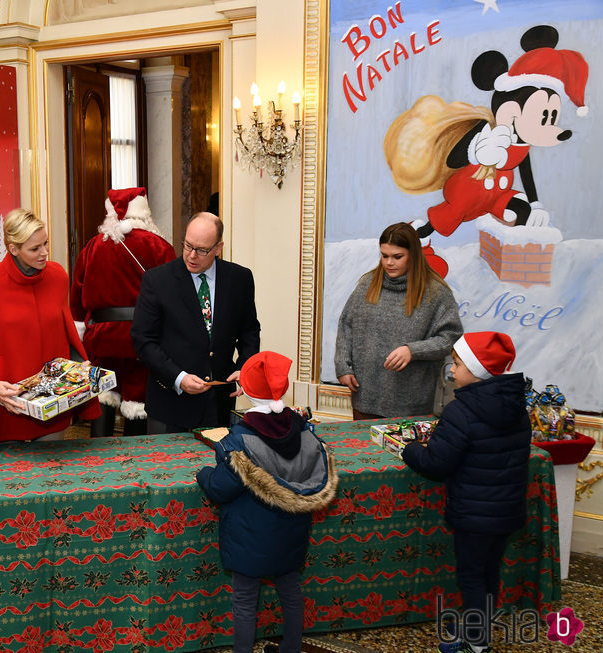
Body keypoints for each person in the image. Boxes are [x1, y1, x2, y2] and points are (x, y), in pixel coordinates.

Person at [196, 351, 337, 653]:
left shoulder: (241, 439)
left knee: (245, 599)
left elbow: (220, 488)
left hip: (250, 537)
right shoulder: (304, 430)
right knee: (291, 591)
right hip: (291, 534)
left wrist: (203, 474)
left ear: (244, 390)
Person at [401, 332, 531, 653]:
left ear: (476, 371)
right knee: (490, 573)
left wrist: (410, 450)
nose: (452, 371)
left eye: (457, 365)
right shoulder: (516, 409)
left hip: (474, 516)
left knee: (471, 576)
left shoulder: (461, 412)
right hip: (506, 512)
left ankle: (476, 643)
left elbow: (436, 463)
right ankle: (478, 625)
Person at [0, 208, 100, 446]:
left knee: (51, 475)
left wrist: (79, 367)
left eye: (46, 243)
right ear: (13, 249)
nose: (44, 253)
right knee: (12, 480)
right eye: (34, 248)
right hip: (10, 405)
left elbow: (65, 333)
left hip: (52, 404)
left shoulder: (57, 276)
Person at [131, 212, 260, 433]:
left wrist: (244, 368)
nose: (191, 255)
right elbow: (143, 341)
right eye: (187, 245)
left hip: (219, 404)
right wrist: (179, 378)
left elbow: (249, 331)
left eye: (201, 250)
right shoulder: (157, 280)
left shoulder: (239, 279)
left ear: (218, 248)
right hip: (170, 407)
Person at [70, 187, 175, 437]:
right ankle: (135, 460)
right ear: (144, 213)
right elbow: (173, 295)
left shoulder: (92, 247)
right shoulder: (159, 246)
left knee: (104, 394)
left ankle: (98, 453)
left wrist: (81, 332)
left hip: (103, 337)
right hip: (143, 338)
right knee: (137, 400)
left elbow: (77, 296)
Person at [334, 222, 462, 420]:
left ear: (413, 255)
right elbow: (346, 326)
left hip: (411, 403)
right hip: (365, 395)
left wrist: (412, 350)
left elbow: (450, 338)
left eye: (397, 256)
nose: (389, 263)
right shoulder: (367, 284)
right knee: (364, 450)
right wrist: (343, 366)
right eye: (384, 256)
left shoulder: (436, 292)